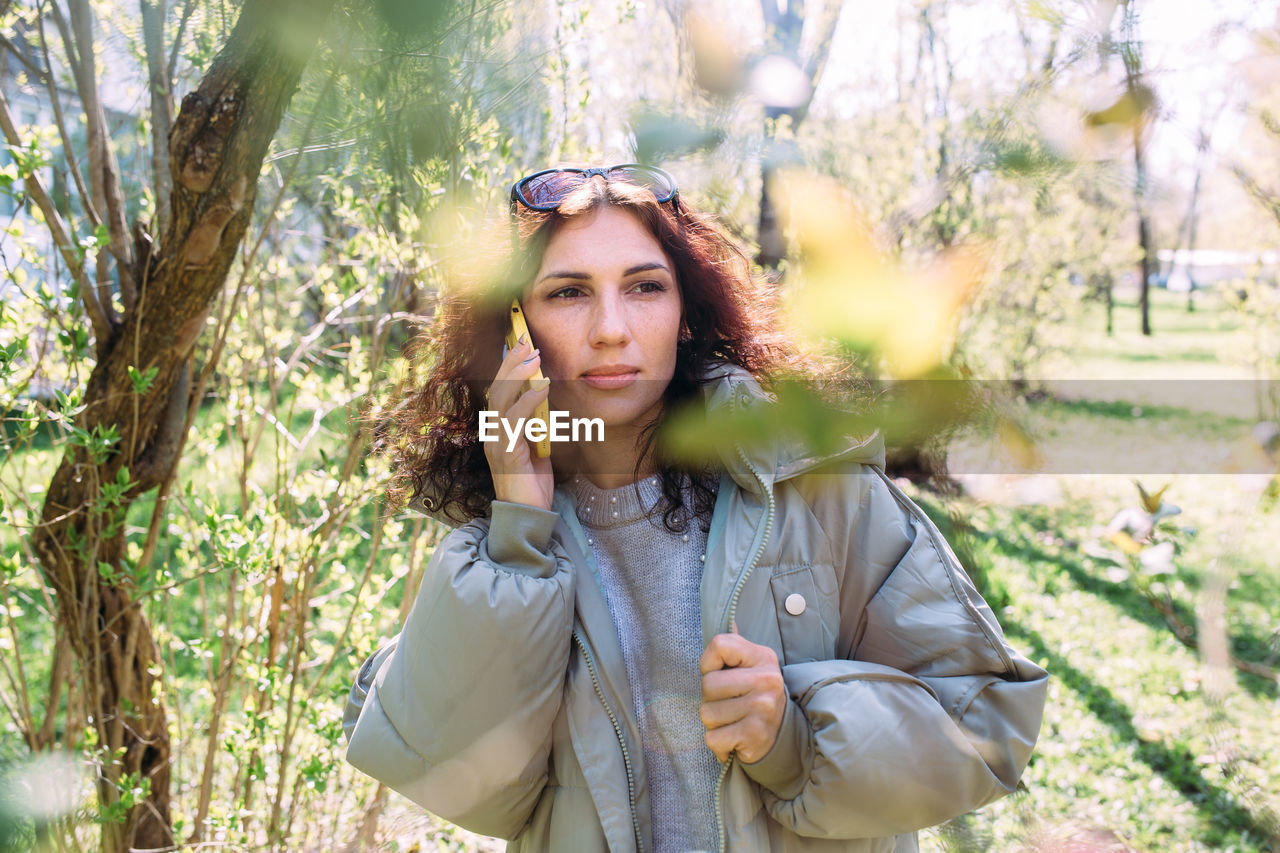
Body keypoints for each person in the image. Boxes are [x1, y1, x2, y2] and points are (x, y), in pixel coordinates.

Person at [343, 164, 1048, 853]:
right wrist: (522, 530)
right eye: (568, 293)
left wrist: (792, 739)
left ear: (686, 315)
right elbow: (477, 791)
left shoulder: (807, 480)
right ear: (516, 332)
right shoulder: (500, 538)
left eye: (645, 286)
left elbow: (986, 724)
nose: (611, 328)